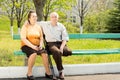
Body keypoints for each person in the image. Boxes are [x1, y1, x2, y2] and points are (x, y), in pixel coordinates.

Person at [38, 12, 72, 80]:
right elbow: (34, 22)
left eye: (55, 17)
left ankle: (57, 54)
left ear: (58, 18)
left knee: (69, 51)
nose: (54, 18)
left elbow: (65, 38)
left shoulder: (61, 26)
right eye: (52, 17)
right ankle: (61, 71)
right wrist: (26, 23)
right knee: (57, 52)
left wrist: (62, 47)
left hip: (60, 43)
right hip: (51, 44)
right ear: (50, 18)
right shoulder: (45, 24)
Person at [20, 10, 53, 80]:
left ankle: (47, 72)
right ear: (29, 18)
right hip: (27, 45)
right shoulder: (25, 26)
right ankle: (29, 73)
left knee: (45, 54)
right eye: (33, 16)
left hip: (37, 45)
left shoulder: (38, 26)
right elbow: (23, 39)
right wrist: (33, 47)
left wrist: (40, 45)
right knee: (33, 54)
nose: (35, 18)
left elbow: (41, 38)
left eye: (35, 16)